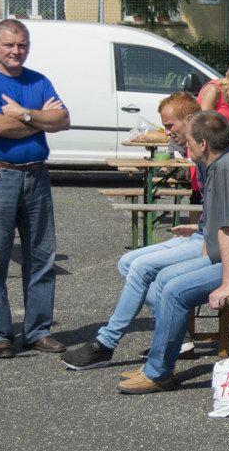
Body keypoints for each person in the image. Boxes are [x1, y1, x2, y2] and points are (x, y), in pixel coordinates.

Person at [118, 111, 229, 394]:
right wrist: (198, 228)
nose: (186, 146)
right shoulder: (223, 163)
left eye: (189, 142)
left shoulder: (226, 169)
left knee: (175, 292)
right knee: (163, 279)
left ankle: (158, 373)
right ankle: (156, 364)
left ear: (203, 144)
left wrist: (227, 285)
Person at [60, 92, 203, 370]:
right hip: (201, 231)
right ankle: (178, 336)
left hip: (214, 239)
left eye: (170, 125)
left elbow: (226, 214)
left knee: (140, 267)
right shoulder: (192, 150)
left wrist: (197, 229)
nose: (167, 132)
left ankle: (105, 344)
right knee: (127, 262)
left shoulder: (208, 153)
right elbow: (199, 199)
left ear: (189, 119)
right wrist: (192, 228)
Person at [0, 19, 71, 359]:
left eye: (22, 45)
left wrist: (23, 113)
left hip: (36, 175)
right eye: (9, 45)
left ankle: (38, 331)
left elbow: (63, 120)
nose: (16, 51)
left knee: (41, 255)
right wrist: (40, 119)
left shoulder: (38, 80)